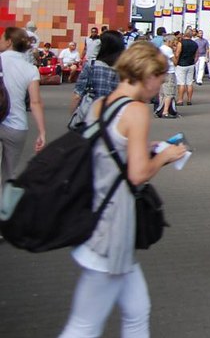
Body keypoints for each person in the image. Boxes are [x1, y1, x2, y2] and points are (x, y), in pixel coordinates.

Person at [57, 42, 188, 337]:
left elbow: (108, 151)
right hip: (114, 226)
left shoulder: (102, 104)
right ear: (148, 75)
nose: (161, 86)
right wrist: (164, 156)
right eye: (160, 78)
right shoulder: (137, 110)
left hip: (98, 214)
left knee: (136, 310)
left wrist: (145, 147)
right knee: (84, 325)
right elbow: (138, 175)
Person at [0, 27, 46, 186]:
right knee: (9, 173)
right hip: (17, 126)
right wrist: (42, 132)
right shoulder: (31, 69)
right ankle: (5, 200)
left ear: (9, 42)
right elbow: (35, 102)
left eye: (1, 38)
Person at [71, 31, 126, 122]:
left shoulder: (91, 65)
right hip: (115, 117)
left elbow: (78, 95)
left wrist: (74, 115)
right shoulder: (124, 69)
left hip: (90, 116)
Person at [174, 29, 198, 106]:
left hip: (181, 64)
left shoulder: (181, 43)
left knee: (181, 83)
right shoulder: (195, 44)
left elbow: (177, 54)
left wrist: (175, 62)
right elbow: (196, 55)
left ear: (184, 34)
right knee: (189, 83)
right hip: (191, 64)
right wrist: (194, 61)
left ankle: (180, 100)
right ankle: (189, 100)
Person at [157, 35, 178, 118]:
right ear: (169, 41)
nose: (174, 44)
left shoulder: (160, 49)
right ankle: (165, 111)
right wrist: (175, 52)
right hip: (169, 72)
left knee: (162, 93)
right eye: (173, 42)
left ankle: (160, 109)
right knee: (169, 93)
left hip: (162, 72)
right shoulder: (168, 50)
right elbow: (175, 62)